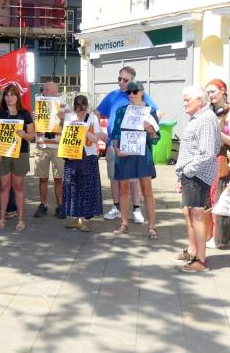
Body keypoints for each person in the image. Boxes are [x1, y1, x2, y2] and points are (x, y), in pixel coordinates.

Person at [95, 66, 159, 223]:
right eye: (119, 79)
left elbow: (156, 114)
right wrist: (102, 134)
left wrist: (149, 129)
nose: (122, 83)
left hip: (138, 149)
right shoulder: (112, 96)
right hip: (115, 146)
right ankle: (116, 208)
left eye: (125, 80)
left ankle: (136, 209)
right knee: (115, 178)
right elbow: (96, 113)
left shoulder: (141, 95)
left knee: (136, 181)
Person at [173, 85, 220, 273]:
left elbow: (207, 153)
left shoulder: (206, 119)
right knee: (192, 216)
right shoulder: (200, 118)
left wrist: (188, 171)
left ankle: (200, 260)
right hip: (192, 175)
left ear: (199, 101)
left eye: (187, 100)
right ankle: (194, 253)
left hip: (197, 176)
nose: (184, 103)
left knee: (197, 217)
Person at [110, 81, 161, 239]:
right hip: (124, 154)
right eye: (129, 92)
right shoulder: (121, 110)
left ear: (141, 92)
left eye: (135, 91)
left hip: (142, 155)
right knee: (124, 189)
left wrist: (150, 129)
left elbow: (156, 137)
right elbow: (116, 132)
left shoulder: (149, 111)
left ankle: (152, 227)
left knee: (147, 191)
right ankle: (124, 224)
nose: (131, 94)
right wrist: (117, 149)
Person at [0, 84, 35, 232]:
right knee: (4, 186)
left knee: (18, 186)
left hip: (20, 153)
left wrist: (24, 135)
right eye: (7, 95)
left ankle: (21, 219)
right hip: (2, 153)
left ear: (17, 96)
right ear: (4, 97)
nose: (9, 98)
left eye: (12, 95)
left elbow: (32, 136)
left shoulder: (25, 114)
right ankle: (2, 218)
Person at [205, 79, 230, 249]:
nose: (210, 95)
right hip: (207, 157)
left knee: (219, 197)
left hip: (222, 158)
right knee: (209, 198)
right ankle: (212, 233)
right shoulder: (208, 111)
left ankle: (219, 237)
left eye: (213, 91)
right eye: (208, 93)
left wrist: (218, 133)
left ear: (223, 91)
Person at [61, 95, 102, 232]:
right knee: (72, 187)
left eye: (82, 110)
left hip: (88, 157)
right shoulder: (69, 117)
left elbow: (96, 138)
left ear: (87, 108)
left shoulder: (92, 118)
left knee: (85, 188)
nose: (80, 113)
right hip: (73, 156)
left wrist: (84, 130)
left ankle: (82, 219)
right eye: (78, 110)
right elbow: (64, 136)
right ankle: (75, 217)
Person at [33, 80, 67, 219]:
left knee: (59, 178)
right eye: (44, 89)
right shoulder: (39, 102)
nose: (44, 91)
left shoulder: (63, 103)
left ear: (54, 91)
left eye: (46, 89)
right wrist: (34, 118)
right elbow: (34, 125)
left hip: (58, 146)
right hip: (42, 145)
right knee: (42, 178)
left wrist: (64, 118)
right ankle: (43, 204)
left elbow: (71, 125)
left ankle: (60, 205)